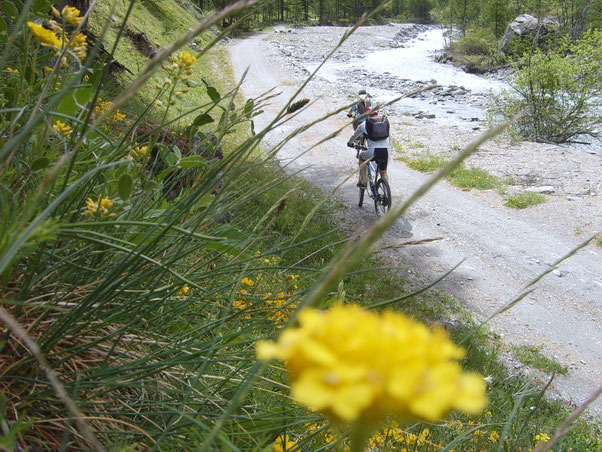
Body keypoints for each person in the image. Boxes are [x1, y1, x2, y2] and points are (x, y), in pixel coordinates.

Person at [347, 115, 390, 188]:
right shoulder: (385, 123)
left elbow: (354, 136)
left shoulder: (364, 125)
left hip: (373, 151)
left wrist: (350, 143)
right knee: (383, 172)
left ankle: (363, 182)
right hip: (386, 151)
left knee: (361, 157)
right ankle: (386, 194)